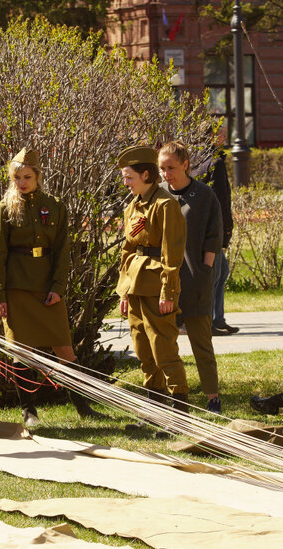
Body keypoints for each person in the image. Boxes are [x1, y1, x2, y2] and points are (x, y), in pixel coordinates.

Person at [0, 148, 100, 425]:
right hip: (17, 289)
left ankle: (83, 407)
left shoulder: (55, 206)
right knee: (21, 351)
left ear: (38, 176)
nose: (22, 182)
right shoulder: (4, 209)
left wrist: (58, 287)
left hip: (48, 288)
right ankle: (29, 411)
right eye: (17, 177)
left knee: (65, 350)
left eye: (27, 176)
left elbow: (63, 252)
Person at [115, 144, 190, 416]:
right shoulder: (134, 205)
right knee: (143, 350)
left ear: (146, 175)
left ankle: (181, 413)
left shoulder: (165, 204)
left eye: (129, 177)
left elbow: (172, 252)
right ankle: (155, 413)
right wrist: (124, 292)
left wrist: (168, 292)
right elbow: (127, 249)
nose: (125, 183)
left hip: (157, 286)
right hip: (135, 286)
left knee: (163, 350)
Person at [158, 140, 224, 413]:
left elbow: (214, 235)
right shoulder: (158, 194)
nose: (166, 174)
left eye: (171, 168)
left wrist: (205, 270)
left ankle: (212, 398)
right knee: (165, 344)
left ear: (186, 165)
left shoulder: (204, 195)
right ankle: (173, 398)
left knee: (201, 342)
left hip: (196, 279)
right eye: (162, 168)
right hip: (165, 282)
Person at [205, 148, 239, 335]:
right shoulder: (213, 163)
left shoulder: (204, 160)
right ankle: (209, 321)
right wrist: (225, 227)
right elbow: (221, 198)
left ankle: (218, 318)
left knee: (222, 271)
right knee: (215, 274)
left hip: (212, 226)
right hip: (213, 227)